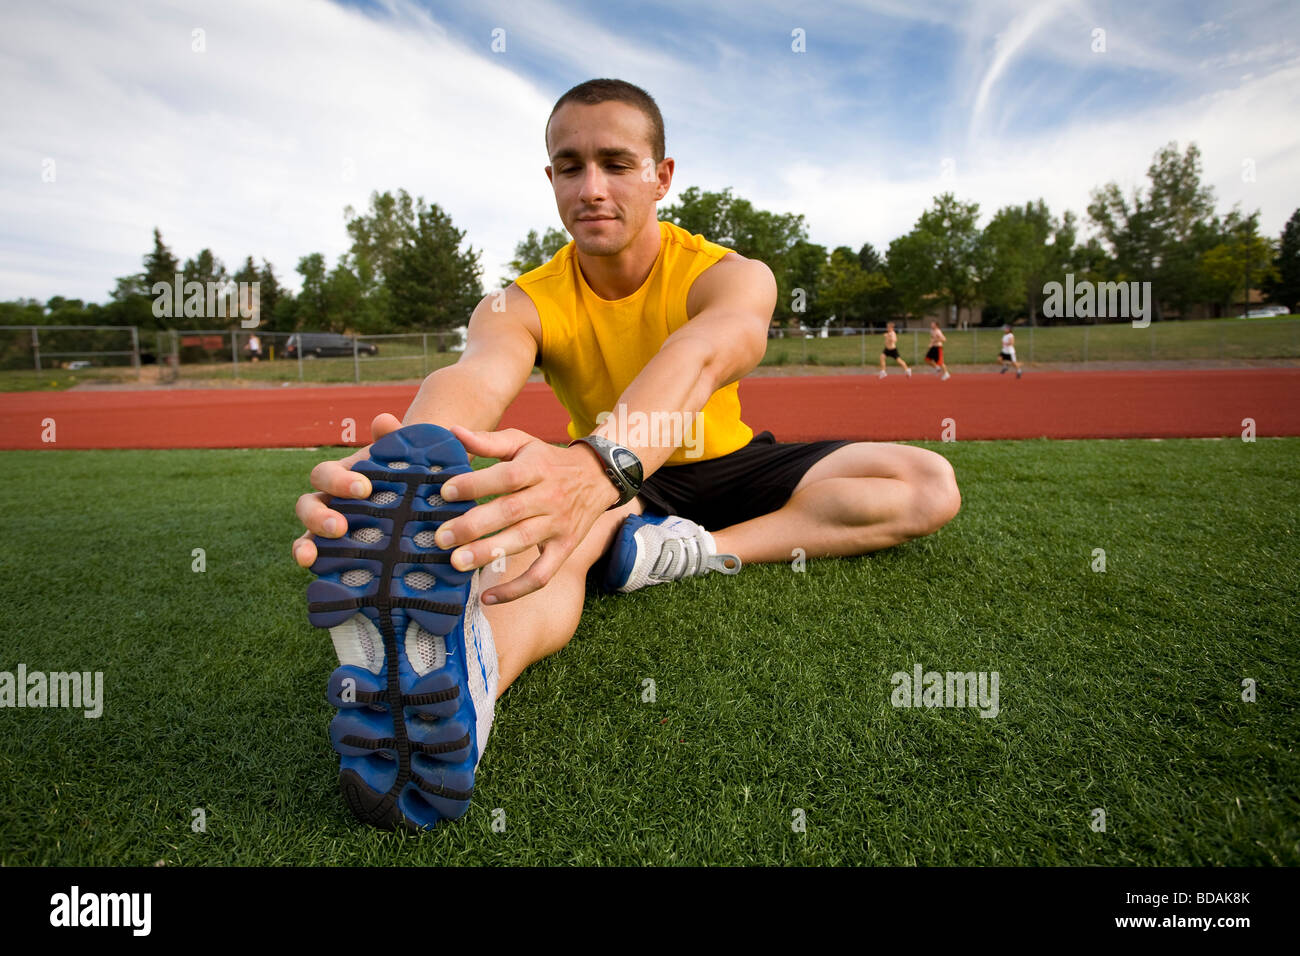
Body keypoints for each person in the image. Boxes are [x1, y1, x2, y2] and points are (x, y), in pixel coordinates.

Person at [292, 78, 961, 830]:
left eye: (616, 163)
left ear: (662, 175)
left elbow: (708, 350)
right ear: (550, 180)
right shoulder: (523, 300)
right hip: (613, 483)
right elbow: (474, 376)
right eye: (570, 166)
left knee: (925, 482)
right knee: (549, 548)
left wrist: (599, 466)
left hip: (714, 464)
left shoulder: (728, 273)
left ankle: (689, 552)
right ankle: (465, 689)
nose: (592, 187)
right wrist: (392, 472)